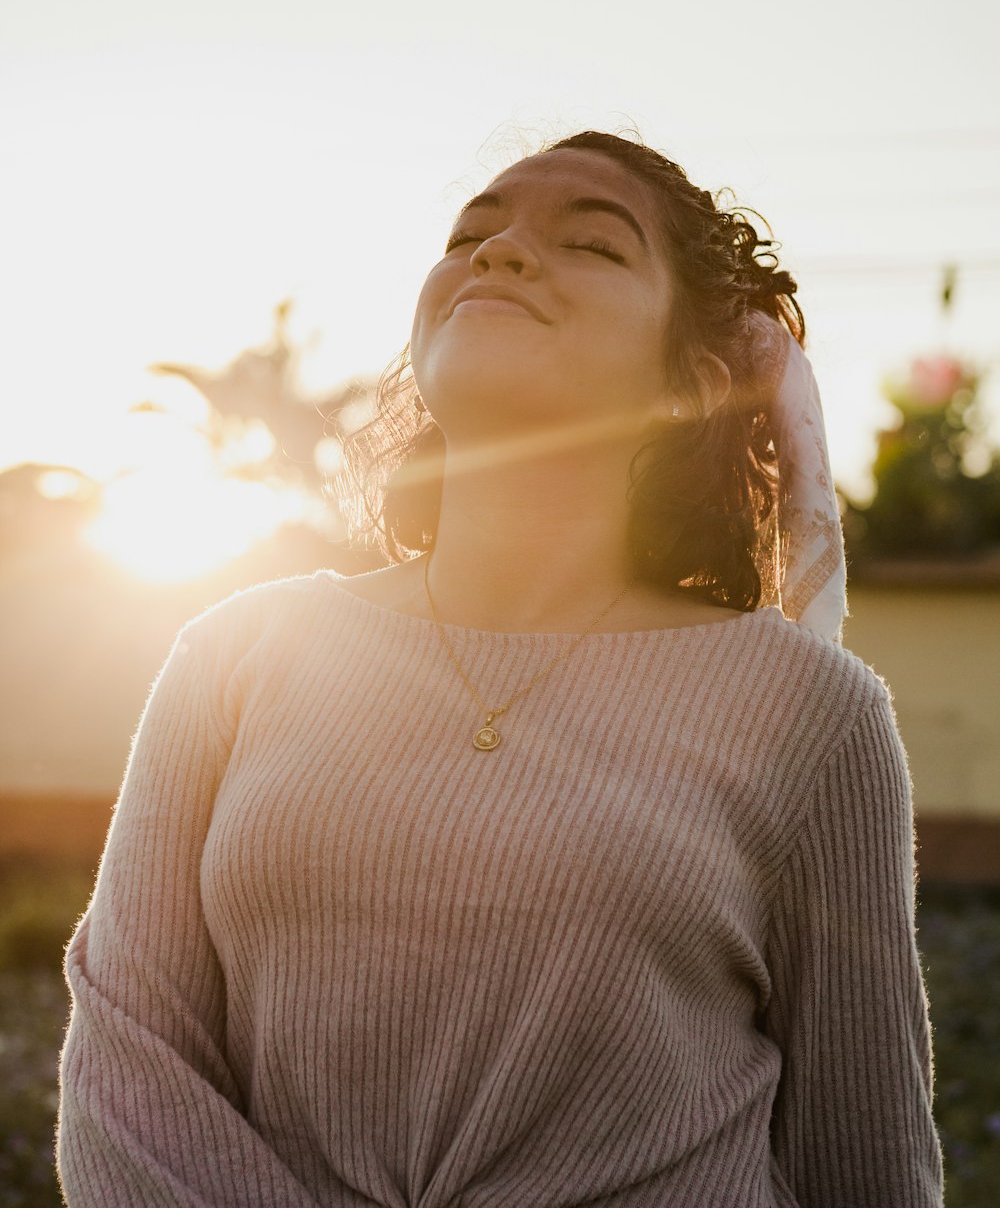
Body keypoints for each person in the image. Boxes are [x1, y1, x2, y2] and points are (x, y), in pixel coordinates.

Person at [57, 130, 945, 1207]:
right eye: (472, 234)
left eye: (593, 244)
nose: (501, 254)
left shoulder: (813, 711)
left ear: (691, 387)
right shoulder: (235, 656)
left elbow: (865, 1164)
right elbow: (124, 1086)